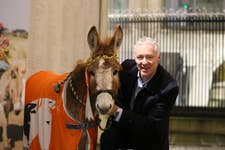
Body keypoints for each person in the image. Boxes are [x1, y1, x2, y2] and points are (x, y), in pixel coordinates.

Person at [100, 37, 179, 150]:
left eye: (149, 57)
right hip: (121, 137)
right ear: (135, 58)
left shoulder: (169, 87)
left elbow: (150, 126)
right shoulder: (126, 68)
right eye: (140, 57)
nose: (144, 62)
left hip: (150, 142)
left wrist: (117, 111)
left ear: (158, 58)